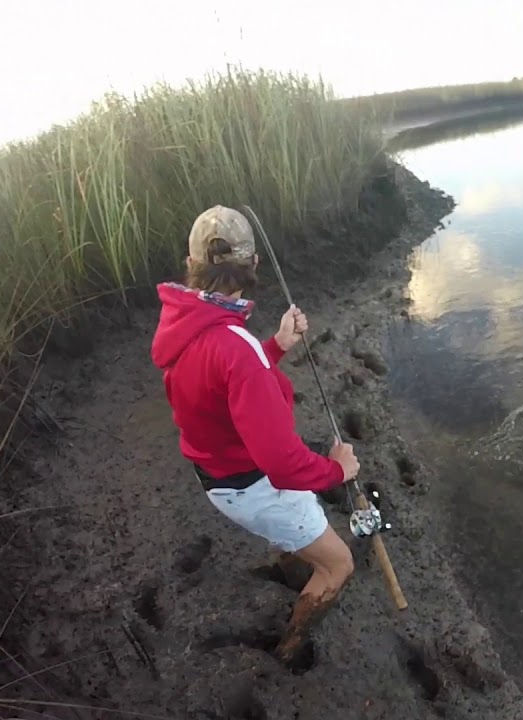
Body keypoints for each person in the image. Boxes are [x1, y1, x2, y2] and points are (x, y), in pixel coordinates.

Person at [150, 204, 360, 665]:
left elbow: (220, 381)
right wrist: (336, 471)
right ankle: (289, 648)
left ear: (193, 265)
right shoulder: (235, 349)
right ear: (253, 265)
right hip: (252, 486)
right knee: (340, 564)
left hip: (217, 476)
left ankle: (290, 559)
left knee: (294, 531)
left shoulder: (184, 321)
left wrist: (277, 345)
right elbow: (283, 465)